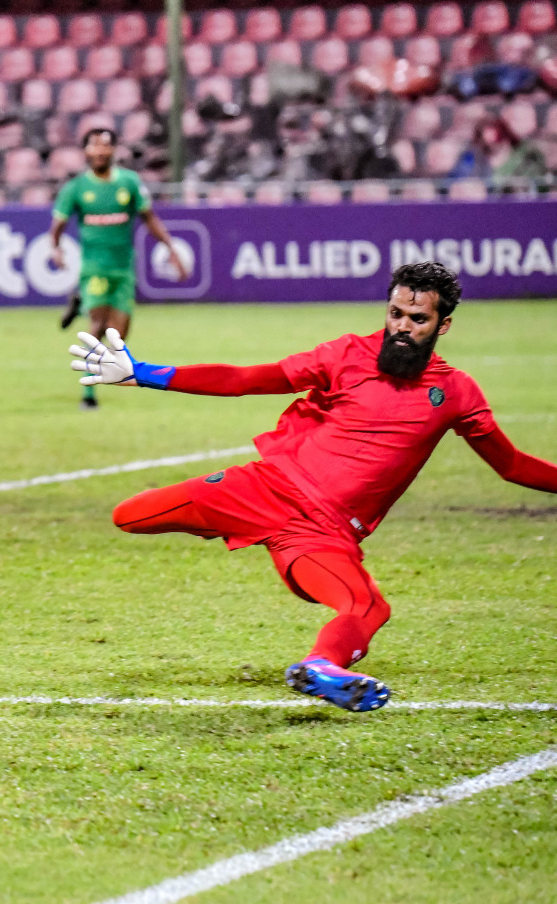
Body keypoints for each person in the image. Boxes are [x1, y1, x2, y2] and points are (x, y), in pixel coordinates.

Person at [68, 262, 557, 712]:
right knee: (128, 515)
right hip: (265, 488)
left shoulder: (456, 393)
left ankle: (322, 667)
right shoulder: (345, 354)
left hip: (322, 535)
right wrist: (146, 374)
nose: (403, 327)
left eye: (418, 319)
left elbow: (510, 465)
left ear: (443, 325)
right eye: (395, 313)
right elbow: (247, 379)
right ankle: (235, 529)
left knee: (368, 606)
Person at [48, 128, 189, 411]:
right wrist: (56, 247)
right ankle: (89, 394)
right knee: (98, 325)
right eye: (94, 146)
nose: (100, 151)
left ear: (113, 150)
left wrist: (170, 248)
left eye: (105, 146)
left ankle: (79, 304)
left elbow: (149, 218)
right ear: (86, 151)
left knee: (119, 336)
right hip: (94, 268)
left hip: (123, 268)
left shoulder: (130, 182)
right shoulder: (76, 188)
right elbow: (59, 224)